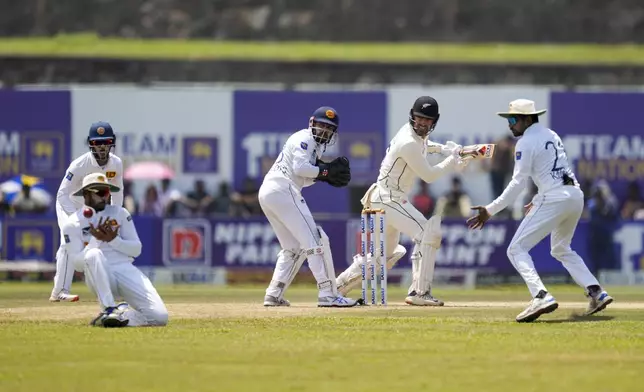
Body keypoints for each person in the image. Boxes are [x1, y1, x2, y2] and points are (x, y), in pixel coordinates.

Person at [467, 99, 613, 322]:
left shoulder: (525, 142)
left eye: (513, 120)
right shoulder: (551, 134)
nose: (510, 125)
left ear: (527, 119)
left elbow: (517, 184)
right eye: (509, 120)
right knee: (561, 249)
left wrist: (490, 209)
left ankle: (541, 295)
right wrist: (538, 198)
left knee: (516, 249)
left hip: (554, 197)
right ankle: (596, 292)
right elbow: (553, 171)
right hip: (574, 195)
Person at [335, 96, 468, 306]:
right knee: (428, 232)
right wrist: (452, 160)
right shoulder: (408, 142)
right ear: (412, 116)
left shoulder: (415, 136)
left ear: (434, 121)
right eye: (419, 118)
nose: (422, 123)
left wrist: (446, 150)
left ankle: (335, 289)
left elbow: (426, 145)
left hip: (383, 198)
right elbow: (429, 175)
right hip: (389, 199)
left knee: (382, 258)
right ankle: (419, 292)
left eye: (427, 120)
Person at [260, 106, 358, 307]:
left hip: (271, 192)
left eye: (328, 128)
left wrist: (325, 176)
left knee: (293, 248)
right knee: (317, 240)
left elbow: (303, 177)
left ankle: (274, 294)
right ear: (311, 123)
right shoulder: (304, 138)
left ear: (333, 133)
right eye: (321, 125)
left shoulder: (317, 147)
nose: (323, 130)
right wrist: (325, 172)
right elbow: (300, 168)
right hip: (282, 190)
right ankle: (328, 294)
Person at [61, 173, 168, 327]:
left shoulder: (120, 213)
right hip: (97, 273)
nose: (105, 196)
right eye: (99, 192)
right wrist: (96, 240)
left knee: (159, 317)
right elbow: (78, 264)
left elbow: (136, 250)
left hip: (124, 268)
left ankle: (119, 315)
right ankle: (109, 310)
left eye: (106, 191)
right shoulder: (72, 223)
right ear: (86, 194)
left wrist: (113, 240)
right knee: (93, 254)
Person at [51, 121, 124, 302]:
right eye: (97, 143)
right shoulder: (79, 165)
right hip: (69, 205)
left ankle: (114, 290)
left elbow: (118, 193)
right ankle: (59, 291)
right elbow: (61, 194)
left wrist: (115, 217)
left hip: (92, 207)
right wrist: (75, 220)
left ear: (111, 143)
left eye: (105, 142)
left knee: (104, 244)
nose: (101, 147)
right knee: (67, 241)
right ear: (91, 144)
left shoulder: (116, 164)